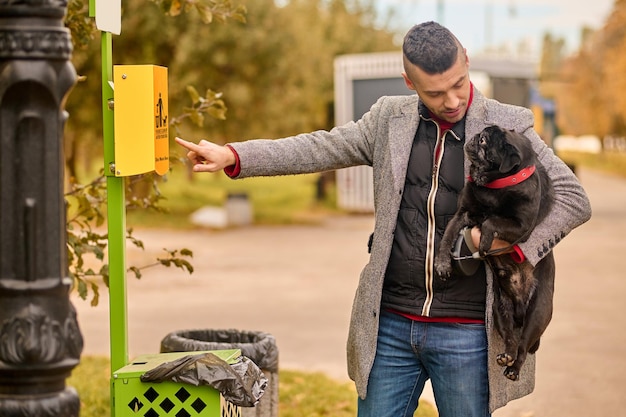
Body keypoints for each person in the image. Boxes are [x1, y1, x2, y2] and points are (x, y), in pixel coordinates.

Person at [175, 21, 591, 417]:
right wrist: (236, 156)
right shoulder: (388, 120)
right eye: (434, 93)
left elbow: (574, 198)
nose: (451, 101)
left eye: (458, 85)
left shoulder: (509, 125)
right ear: (409, 83)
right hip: (389, 325)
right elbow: (320, 147)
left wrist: (516, 247)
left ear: (465, 59)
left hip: (467, 333)